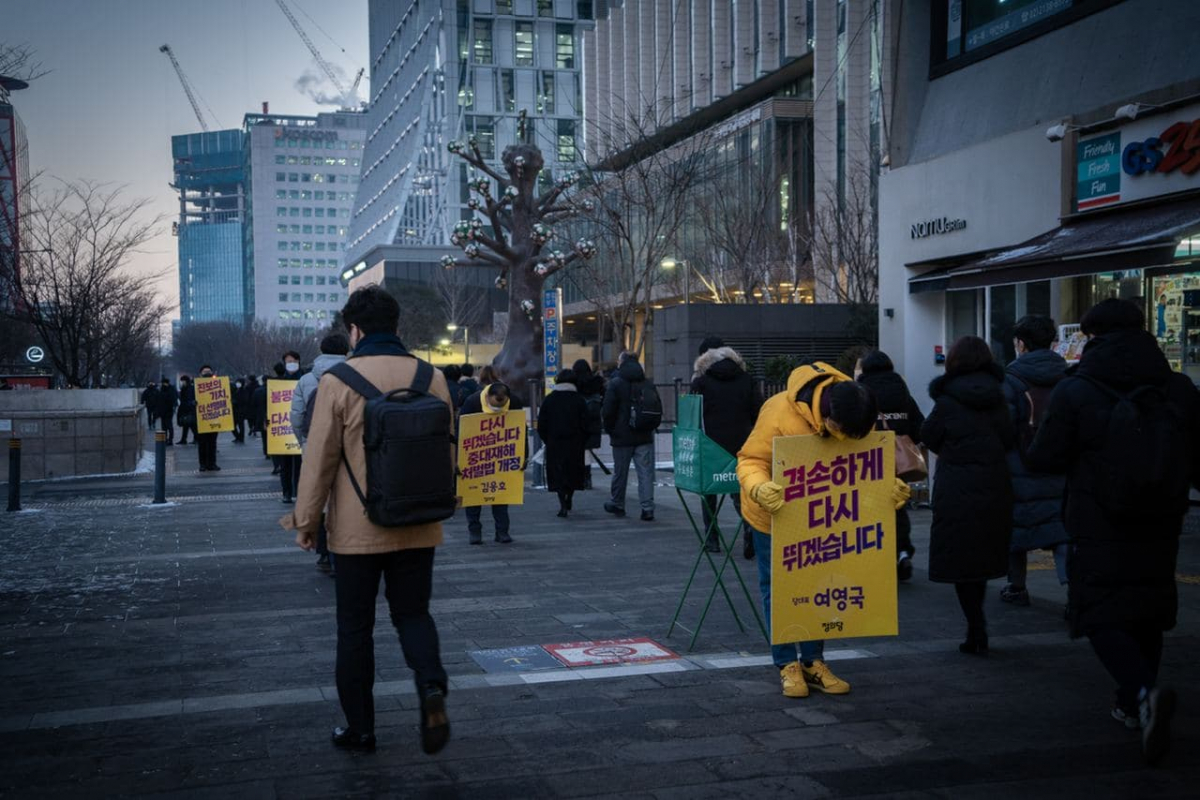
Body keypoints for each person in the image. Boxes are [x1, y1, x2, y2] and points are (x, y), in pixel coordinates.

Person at [1026, 299, 1200, 764]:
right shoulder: (1178, 387)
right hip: (1163, 518)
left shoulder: (1077, 389)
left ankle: (1142, 693)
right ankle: (1132, 704)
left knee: (1099, 610)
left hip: (1099, 517)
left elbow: (1045, 457)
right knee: (1148, 607)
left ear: (1091, 336)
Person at [283, 284, 452, 756]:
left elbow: (318, 462)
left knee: (354, 629)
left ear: (354, 330)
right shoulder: (431, 377)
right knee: (414, 614)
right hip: (419, 522)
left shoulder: (337, 382)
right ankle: (432, 686)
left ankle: (360, 728)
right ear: (397, 327)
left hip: (357, 532)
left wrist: (306, 522)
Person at [737, 361, 902, 698]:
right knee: (779, 588)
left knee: (821, 583)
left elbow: (866, 461)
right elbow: (750, 459)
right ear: (826, 414)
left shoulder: (857, 408)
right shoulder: (779, 409)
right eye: (840, 432)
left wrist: (888, 486)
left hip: (827, 517)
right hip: (774, 515)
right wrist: (758, 487)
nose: (841, 440)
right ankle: (786, 663)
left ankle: (813, 661)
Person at [920, 335, 1014, 657]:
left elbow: (929, 435)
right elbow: (1010, 438)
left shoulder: (946, 401)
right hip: (993, 484)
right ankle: (978, 625)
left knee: (962, 559)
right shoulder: (998, 397)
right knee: (983, 554)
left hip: (956, 487)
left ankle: (975, 625)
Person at [999, 315, 1069, 607]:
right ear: (1052, 342)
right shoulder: (1069, 376)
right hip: (1061, 467)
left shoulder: (1010, 379)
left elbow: (1002, 426)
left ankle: (1016, 587)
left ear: (1021, 344)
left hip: (1019, 468)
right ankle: (1073, 593)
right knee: (1063, 530)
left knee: (1015, 530)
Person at [855, 349, 925, 581]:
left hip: (867, 460)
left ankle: (875, 556)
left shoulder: (861, 391)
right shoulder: (901, 390)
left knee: (867, 510)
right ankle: (902, 551)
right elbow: (918, 426)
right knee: (897, 506)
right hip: (897, 461)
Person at [691, 336, 761, 557]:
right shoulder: (747, 379)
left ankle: (712, 539)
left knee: (709, 493)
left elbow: (693, 418)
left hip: (711, 445)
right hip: (742, 444)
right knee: (740, 492)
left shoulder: (701, 382)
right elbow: (757, 412)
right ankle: (749, 530)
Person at [293, 332, 351, 575]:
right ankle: (345, 551)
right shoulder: (356, 374)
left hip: (314, 443)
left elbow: (296, 416)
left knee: (321, 496)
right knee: (347, 495)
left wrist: (303, 441)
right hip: (348, 443)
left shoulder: (306, 379)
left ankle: (324, 555)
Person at [459, 380, 520, 544]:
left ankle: (502, 532)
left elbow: (520, 432)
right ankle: (475, 532)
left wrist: (523, 455)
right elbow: (461, 431)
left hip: (501, 457)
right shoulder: (472, 402)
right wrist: (459, 460)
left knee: (501, 493)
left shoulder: (514, 402)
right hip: (475, 459)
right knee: (473, 495)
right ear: (487, 397)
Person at [602, 351, 656, 521]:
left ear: (622, 363)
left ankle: (618, 503)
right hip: (644, 434)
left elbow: (608, 411)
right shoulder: (647, 383)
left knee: (620, 472)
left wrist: (611, 430)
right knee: (645, 473)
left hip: (622, 436)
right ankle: (647, 508)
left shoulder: (616, 383)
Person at [537, 368, 588, 518]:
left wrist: (548, 439)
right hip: (575, 444)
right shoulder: (579, 400)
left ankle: (562, 504)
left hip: (555, 443)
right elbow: (586, 423)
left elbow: (542, 424)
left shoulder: (550, 399)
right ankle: (570, 497)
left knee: (558, 474)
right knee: (572, 473)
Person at [572, 359, 606, 490]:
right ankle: (587, 478)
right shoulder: (597, 384)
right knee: (587, 452)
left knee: (576, 452)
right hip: (593, 423)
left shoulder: (574, 385)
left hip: (577, 423)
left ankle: (578, 479)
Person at [278, 351, 304, 503]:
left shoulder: (305, 379)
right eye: (288, 361)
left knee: (301, 463)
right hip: (283, 429)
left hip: (300, 427)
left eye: (294, 360)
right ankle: (286, 492)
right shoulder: (279, 382)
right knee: (285, 464)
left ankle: (300, 492)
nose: (291, 363)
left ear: (299, 361)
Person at [194, 365, 220, 472]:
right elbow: (185, 402)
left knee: (212, 443)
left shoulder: (218, 385)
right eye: (205, 372)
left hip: (214, 419)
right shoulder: (195, 387)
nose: (207, 373)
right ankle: (203, 464)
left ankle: (212, 464)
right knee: (203, 444)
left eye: (209, 371)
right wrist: (192, 403)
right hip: (201, 420)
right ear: (200, 374)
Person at [154, 376, 178, 446]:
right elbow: (158, 401)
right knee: (164, 427)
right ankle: (165, 439)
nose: (163, 385)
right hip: (163, 412)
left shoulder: (170, 390)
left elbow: (173, 399)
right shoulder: (162, 390)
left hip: (168, 411)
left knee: (169, 426)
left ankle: (170, 440)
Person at [176, 375, 197, 446]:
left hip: (189, 409)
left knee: (191, 425)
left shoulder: (190, 389)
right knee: (186, 425)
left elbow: (189, 399)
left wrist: (189, 405)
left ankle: (196, 438)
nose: (182, 382)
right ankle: (184, 439)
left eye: (183, 381)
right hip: (185, 409)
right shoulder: (184, 388)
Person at [232, 376, 248, 444]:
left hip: (241, 411)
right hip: (235, 410)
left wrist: (236, 401)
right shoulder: (235, 390)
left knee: (241, 425)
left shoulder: (244, 391)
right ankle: (238, 437)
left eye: (239, 382)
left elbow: (245, 400)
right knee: (232, 426)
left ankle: (241, 438)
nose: (237, 384)